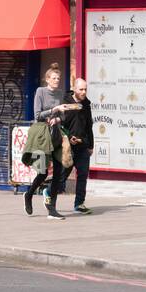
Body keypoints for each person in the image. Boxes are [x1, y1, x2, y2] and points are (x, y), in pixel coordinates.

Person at [25, 64, 72, 220]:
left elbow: (64, 116)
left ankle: (52, 209)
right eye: (54, 78)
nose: (57, 80)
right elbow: (37, 115)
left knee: (58, 173)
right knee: (43, 172)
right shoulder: (40, 92)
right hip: (43, 137)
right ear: (47, 79)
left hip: (56, 136)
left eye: (58, 78)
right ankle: (29, 194)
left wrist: (58, 117)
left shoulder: (60, 93)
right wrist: (54, 110)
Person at [62, 78, 94, 214]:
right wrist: (70, 138)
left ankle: (79, 204)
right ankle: (48, 192)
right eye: (81, 89)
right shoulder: (66, 103)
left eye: (85, 89)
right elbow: (62, 125)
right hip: (69, 146)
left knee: (82, 175)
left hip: (83, 146)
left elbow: (89, 126)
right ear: (74, 89)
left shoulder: (86, 105)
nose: (84, 92)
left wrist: (91, 145)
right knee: (62, 175)